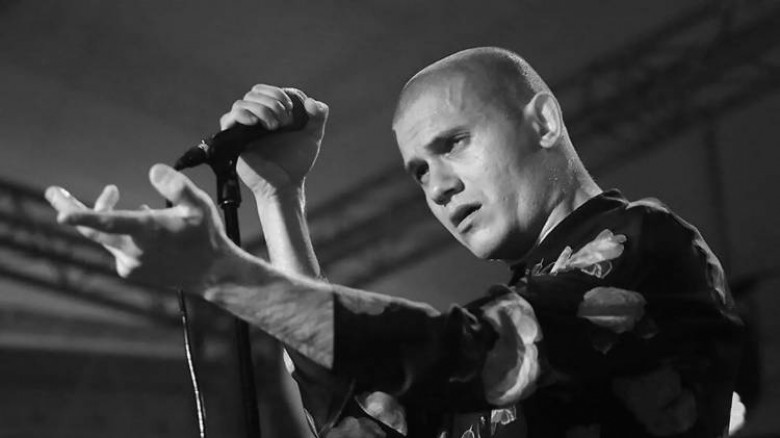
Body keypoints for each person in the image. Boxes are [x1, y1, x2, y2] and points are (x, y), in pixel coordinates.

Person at [46, 47, 743, 438]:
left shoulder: (648, 243)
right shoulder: (523, 301)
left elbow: (461, 351)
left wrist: (225, 275)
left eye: (453, 144)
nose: (439, 187)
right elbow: (364, 418)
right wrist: (279, 199)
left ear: (543, 121)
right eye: (419, 171)